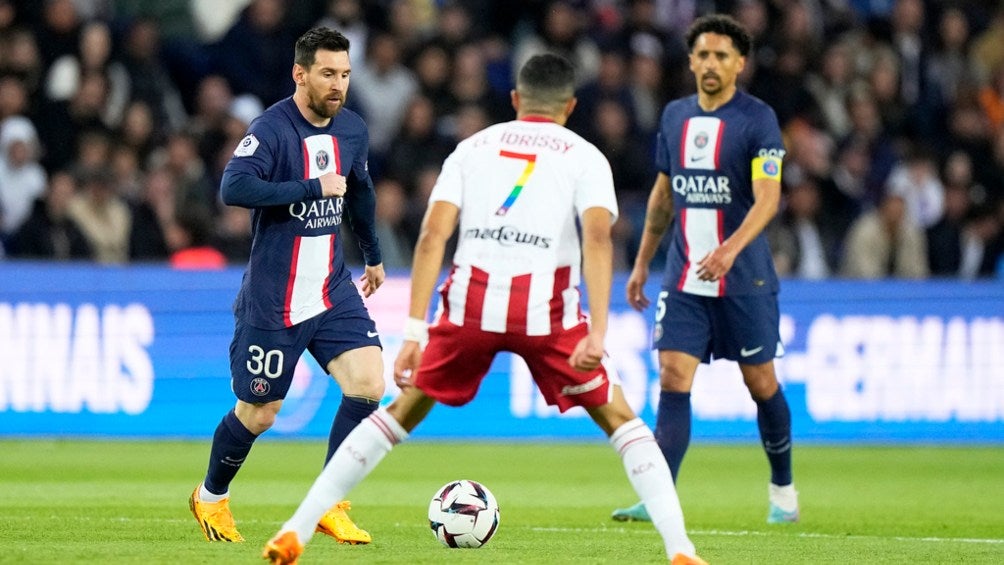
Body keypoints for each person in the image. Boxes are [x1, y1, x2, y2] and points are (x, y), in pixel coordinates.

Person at [261, 53, 706, 565]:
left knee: (397, 418)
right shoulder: (586, 156)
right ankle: (680, 550)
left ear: (516, 100)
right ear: (571, 106)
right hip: (547, 312)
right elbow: (600, 240)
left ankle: (297, 528)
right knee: (623, 423)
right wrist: (599, 330)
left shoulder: (473, 148)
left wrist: (413, 331)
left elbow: (432, 236)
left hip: (471, 305)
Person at [188, 27, 386, 546]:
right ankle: (211, 496)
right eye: (327, 73)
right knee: (260, 412)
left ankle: (330, 502)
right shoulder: (272, 129)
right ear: (300, 73)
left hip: (332, 287)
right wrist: (309, 187)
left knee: (368, 384)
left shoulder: (352, 130)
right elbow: (233, 186)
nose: (338, 84)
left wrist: (373, 255)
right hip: (275, 298)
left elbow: (360, 192)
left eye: (344, 73)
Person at [610, 14, 799, 525]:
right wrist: (642, 262)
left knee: (760, 382)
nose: (711, 64)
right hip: (685, 275)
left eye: (722, 55)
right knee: (673, 376)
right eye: (703, 54)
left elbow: (768, 198)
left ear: (740, 63)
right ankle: (658, 496)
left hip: (744, 277)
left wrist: (731, 249)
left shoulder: (758, 119)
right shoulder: (674, 116)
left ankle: (783, 488)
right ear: (691, 61)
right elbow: (663, 194)